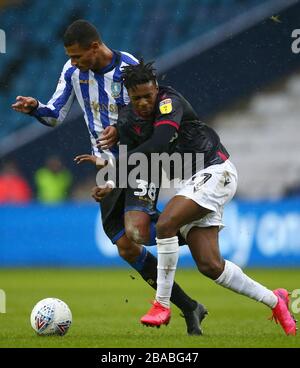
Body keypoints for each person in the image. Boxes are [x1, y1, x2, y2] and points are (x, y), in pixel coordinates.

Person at [12, 20, 206, 335]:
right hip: (107, 168)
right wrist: (36, 108)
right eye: (70, 57)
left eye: (77, 56)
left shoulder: (129, 67)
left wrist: (125, 138)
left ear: (94, 47)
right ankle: (190, 306)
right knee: (127, 247)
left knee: (138, 230)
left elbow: (155, 115)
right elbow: (55, 115)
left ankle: (192, 229)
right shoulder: (73, 72)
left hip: (141, 160)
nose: (73, 62)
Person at [88, 60, 297, 336]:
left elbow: (161, 141)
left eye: (147, 96)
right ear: (128, 95)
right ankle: (276, 300)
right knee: (210, 265)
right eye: (137, 98)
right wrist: (112, 182)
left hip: (215, 170)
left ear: (156, 89)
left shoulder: (168, 101)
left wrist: (114, 171)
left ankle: (161, 305)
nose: (143, 103)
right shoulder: (128, 119)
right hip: (191, 183)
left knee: (165, 226)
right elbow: (136, 164)